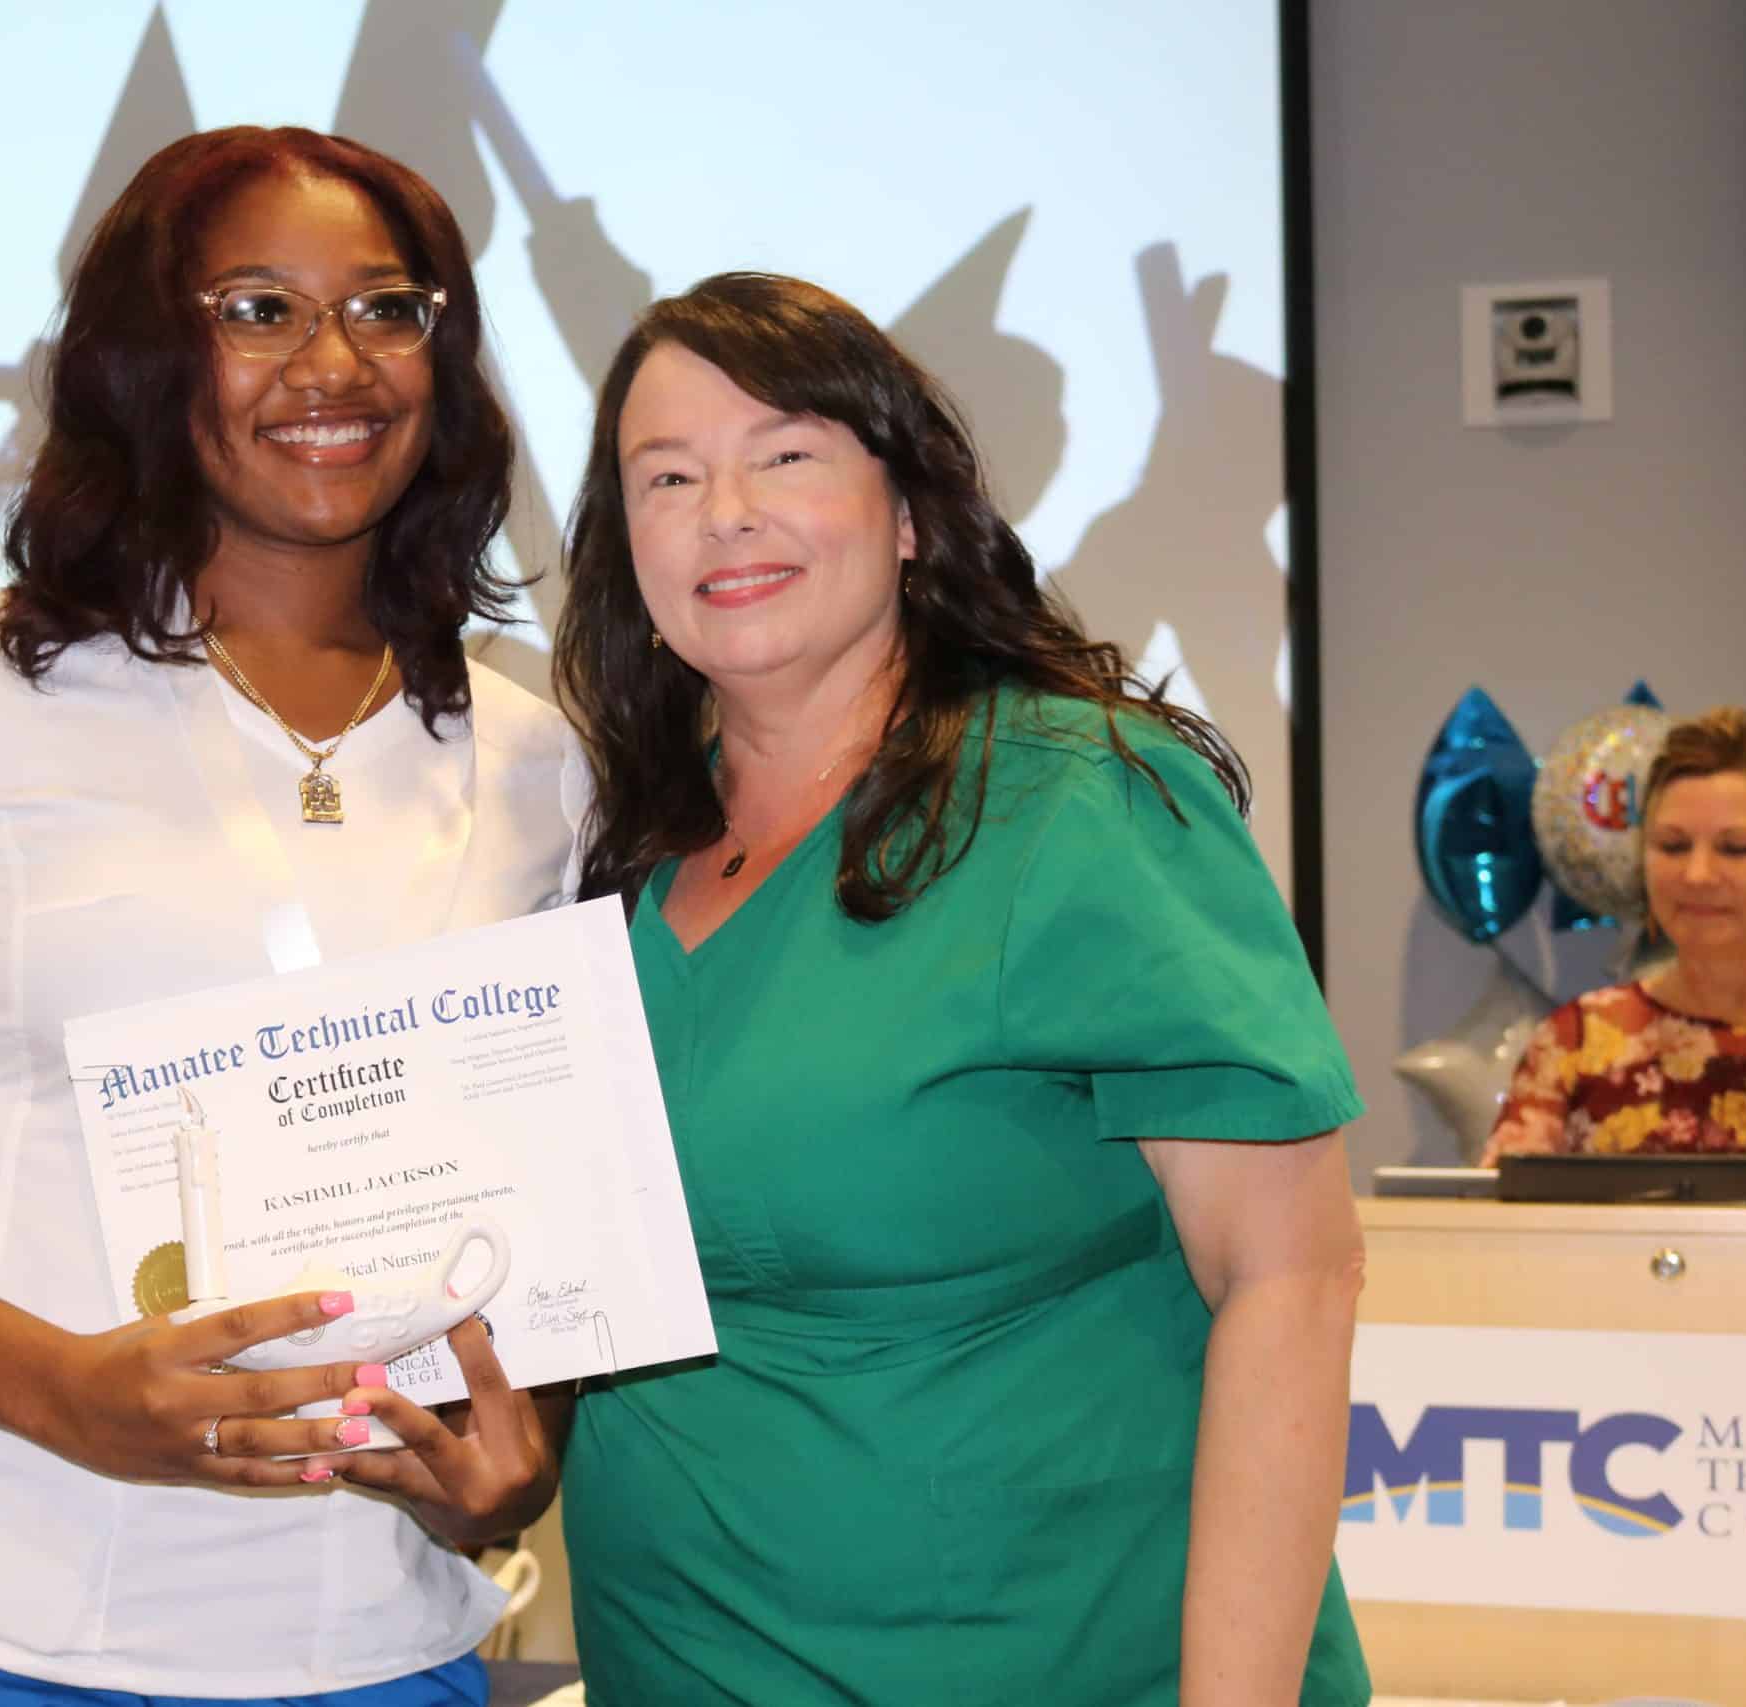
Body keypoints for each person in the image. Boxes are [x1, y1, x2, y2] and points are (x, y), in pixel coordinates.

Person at [0, 127, 573, 1706]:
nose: (331, 362)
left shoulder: (538, 761)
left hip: (366, 1636)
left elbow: (546, 1201)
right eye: (256, 310)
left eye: (386, 307)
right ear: (154, 358)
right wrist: (66, 1389)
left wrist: (524, 1450)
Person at [542, 273, 1370, 1706]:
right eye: (666, 477)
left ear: (911, 511)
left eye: (785, 454)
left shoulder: (1081, 802)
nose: (723, 509)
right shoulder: (603, 854)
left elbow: (1290, 1276)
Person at [1488, 708, 1746, 1159]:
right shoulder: (1576, 1044)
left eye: (1735, 849)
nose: (1697, 875)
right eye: (1673, 846)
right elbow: (1506, 1226)